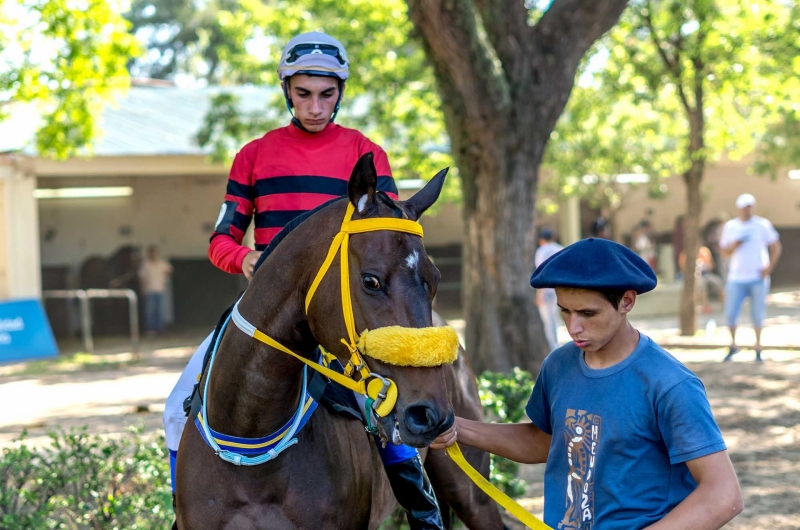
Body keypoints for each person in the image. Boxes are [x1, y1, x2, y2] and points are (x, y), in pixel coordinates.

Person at [163, 32, 443, 530]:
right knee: (174, 407)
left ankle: (422, 509)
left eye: (326, 94)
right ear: (287, 91)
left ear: (340, 92)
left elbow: (388, 238)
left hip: (334, 315)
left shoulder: (365, 151)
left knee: (383, 410)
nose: (315, 106)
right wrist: (245, 258)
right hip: (262, 315)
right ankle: (184, 514)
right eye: (303, 93)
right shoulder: (253, 154)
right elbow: (220, 239)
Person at [431, 238, 743, 529]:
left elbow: (723, 495)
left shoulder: (670, 384)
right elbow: (545, 441)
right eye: (564, 311)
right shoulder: (558, 365)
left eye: (587, 313)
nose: (573, 326)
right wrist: (457, 428)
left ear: (626, 302)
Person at [720, 193, 782, 363]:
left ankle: (758, 347)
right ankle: (733, 345)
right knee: (731, 313)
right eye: (744, 207)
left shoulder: (762, 225)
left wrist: (768, 269)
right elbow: (723, 252)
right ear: (739, 208)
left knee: (757, 313)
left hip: (757, 278)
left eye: (749, 206)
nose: (747, 210)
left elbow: (776, 246)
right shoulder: (731, 227)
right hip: (736, 278)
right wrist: (733, 247)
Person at [534, 228, 563, 351]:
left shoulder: (542, 251)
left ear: (541, 240)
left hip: (546, 289)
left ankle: (553, 347)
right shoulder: (560, 249)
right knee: (556, 318)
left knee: (547, 321)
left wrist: (539, 294)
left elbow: (541, 272)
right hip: (560, 289)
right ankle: (558, 345)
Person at [138, 244, 172, 334]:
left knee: (160, 310)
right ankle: (150, 329)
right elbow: (142, 277)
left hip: (160, 289)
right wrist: (143, 289)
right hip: (149, 290)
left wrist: (164, 279)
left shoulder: (162, 263)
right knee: (149, 311)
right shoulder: (146, 264)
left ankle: (160, 328)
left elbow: (170, 270)